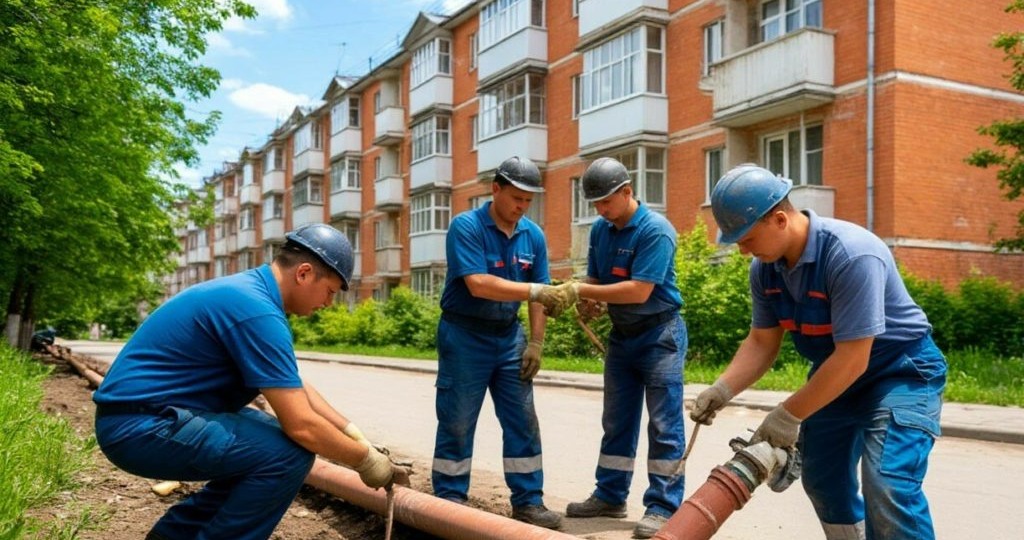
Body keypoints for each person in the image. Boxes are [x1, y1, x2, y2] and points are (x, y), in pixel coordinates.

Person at [93, 224, 406, 540]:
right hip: (140, 427)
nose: (327, 304)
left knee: (268, 439)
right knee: (286, 454)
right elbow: (302, 425)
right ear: (304, 273)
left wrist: (353, 435)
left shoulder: (251, 295)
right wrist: (365, 461)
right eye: (329, 291)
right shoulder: (257, 312)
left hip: (146, 417)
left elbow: (295, 387)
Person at [692, 164, 947, 540]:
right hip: (836, 375)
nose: (743, 250)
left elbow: (853, 358)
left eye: (746, 238)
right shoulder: (765, 270)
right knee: (824, 481)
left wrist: (787, 415)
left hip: (901, 372)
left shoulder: (851, 254)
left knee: (889, 483)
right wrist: (723, 389)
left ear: (779, 219)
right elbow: (762, 342)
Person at [536, 157, 688, 539]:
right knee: (616, 420)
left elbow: (639, 290)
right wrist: (586, 298)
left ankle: (662, 506)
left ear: (627, 192)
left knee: (665, 424)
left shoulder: (656, 230)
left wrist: (580, 290)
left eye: (606, 201)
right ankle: (610, 495)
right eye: (595, 205)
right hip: (623, 337)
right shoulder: (602, 231)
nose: (601, 210)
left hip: (660, 336)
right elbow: (597, 278)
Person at [431, 156, 566, 529]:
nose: (522, 207)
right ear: (495, 190)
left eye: (528, 200)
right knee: (457, 420)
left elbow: (541, 297)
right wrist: (536, 289)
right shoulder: (467, 227)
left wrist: (536, 343)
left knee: (522, 419)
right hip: (464, 335)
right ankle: (450, 500)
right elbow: (478, 283)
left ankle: (529, 501)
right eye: (516, 198)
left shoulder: (532, 235)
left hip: (509, 337)